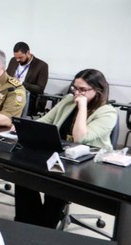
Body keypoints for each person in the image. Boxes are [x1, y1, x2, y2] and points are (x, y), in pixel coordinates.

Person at [15, 69, 117, 228]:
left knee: (56, 181)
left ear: (98, 90)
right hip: (61, 155)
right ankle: (27, 222)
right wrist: (24, 127)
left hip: (88, 165)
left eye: (82, 90)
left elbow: (80, 138)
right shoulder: (69, 99)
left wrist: (82, 107)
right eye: (75, 88)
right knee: (23, 172)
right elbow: (46, 120)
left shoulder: (107, 113)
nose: (77, 93)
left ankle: (46, 226)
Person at [6, 42, 49, 117]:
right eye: (16, 57)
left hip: (27, 97)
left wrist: (21, 82)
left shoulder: (41, 65)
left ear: (28, 53)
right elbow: (6, 76)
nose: (17, 60)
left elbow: (40, 89)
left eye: (20, 57)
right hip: (9, 93)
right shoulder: (13, 60)